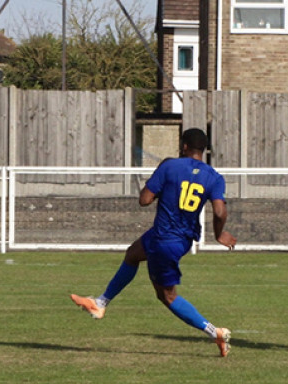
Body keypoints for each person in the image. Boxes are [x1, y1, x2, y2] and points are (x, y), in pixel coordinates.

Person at [70, 128, 237, 357]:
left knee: (167, 296)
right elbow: (220, 212)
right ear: (204, 150)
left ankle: (215, 332)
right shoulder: (214, 177)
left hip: (164, 240)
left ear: (184, 146)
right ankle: (101, 302)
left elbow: (144, 200)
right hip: (179, 239)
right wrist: (219, 234)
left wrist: (159, 176)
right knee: (133, 253)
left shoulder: (169, 166)